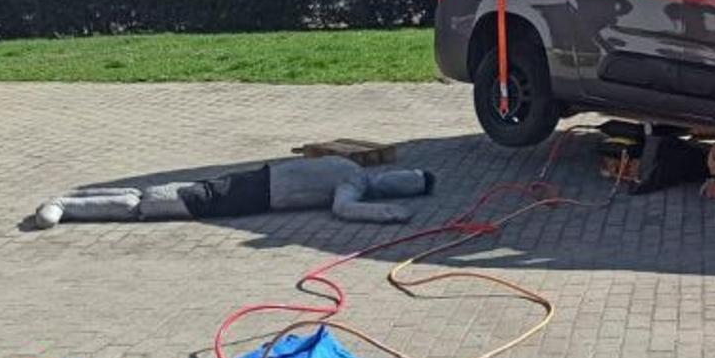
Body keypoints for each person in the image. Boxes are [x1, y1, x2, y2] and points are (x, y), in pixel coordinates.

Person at [31, 156, 435, 229]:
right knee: (149, 205)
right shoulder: (355, 181)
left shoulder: (349, 167)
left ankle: (69, 200)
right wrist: (391, 213)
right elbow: (345, 210)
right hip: (254, 193)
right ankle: (65, 205)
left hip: (256, 181)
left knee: (159, 196)